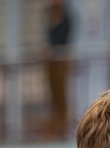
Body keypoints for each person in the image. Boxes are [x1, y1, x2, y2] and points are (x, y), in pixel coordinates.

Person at [42, 0, 72, 137]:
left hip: (60, 59)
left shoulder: (65, 18)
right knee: (53, 93)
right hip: (52, 60)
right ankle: (56, 122)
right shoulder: (49, 16)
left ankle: (62, 123)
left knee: (61, 94)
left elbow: (63, 39)